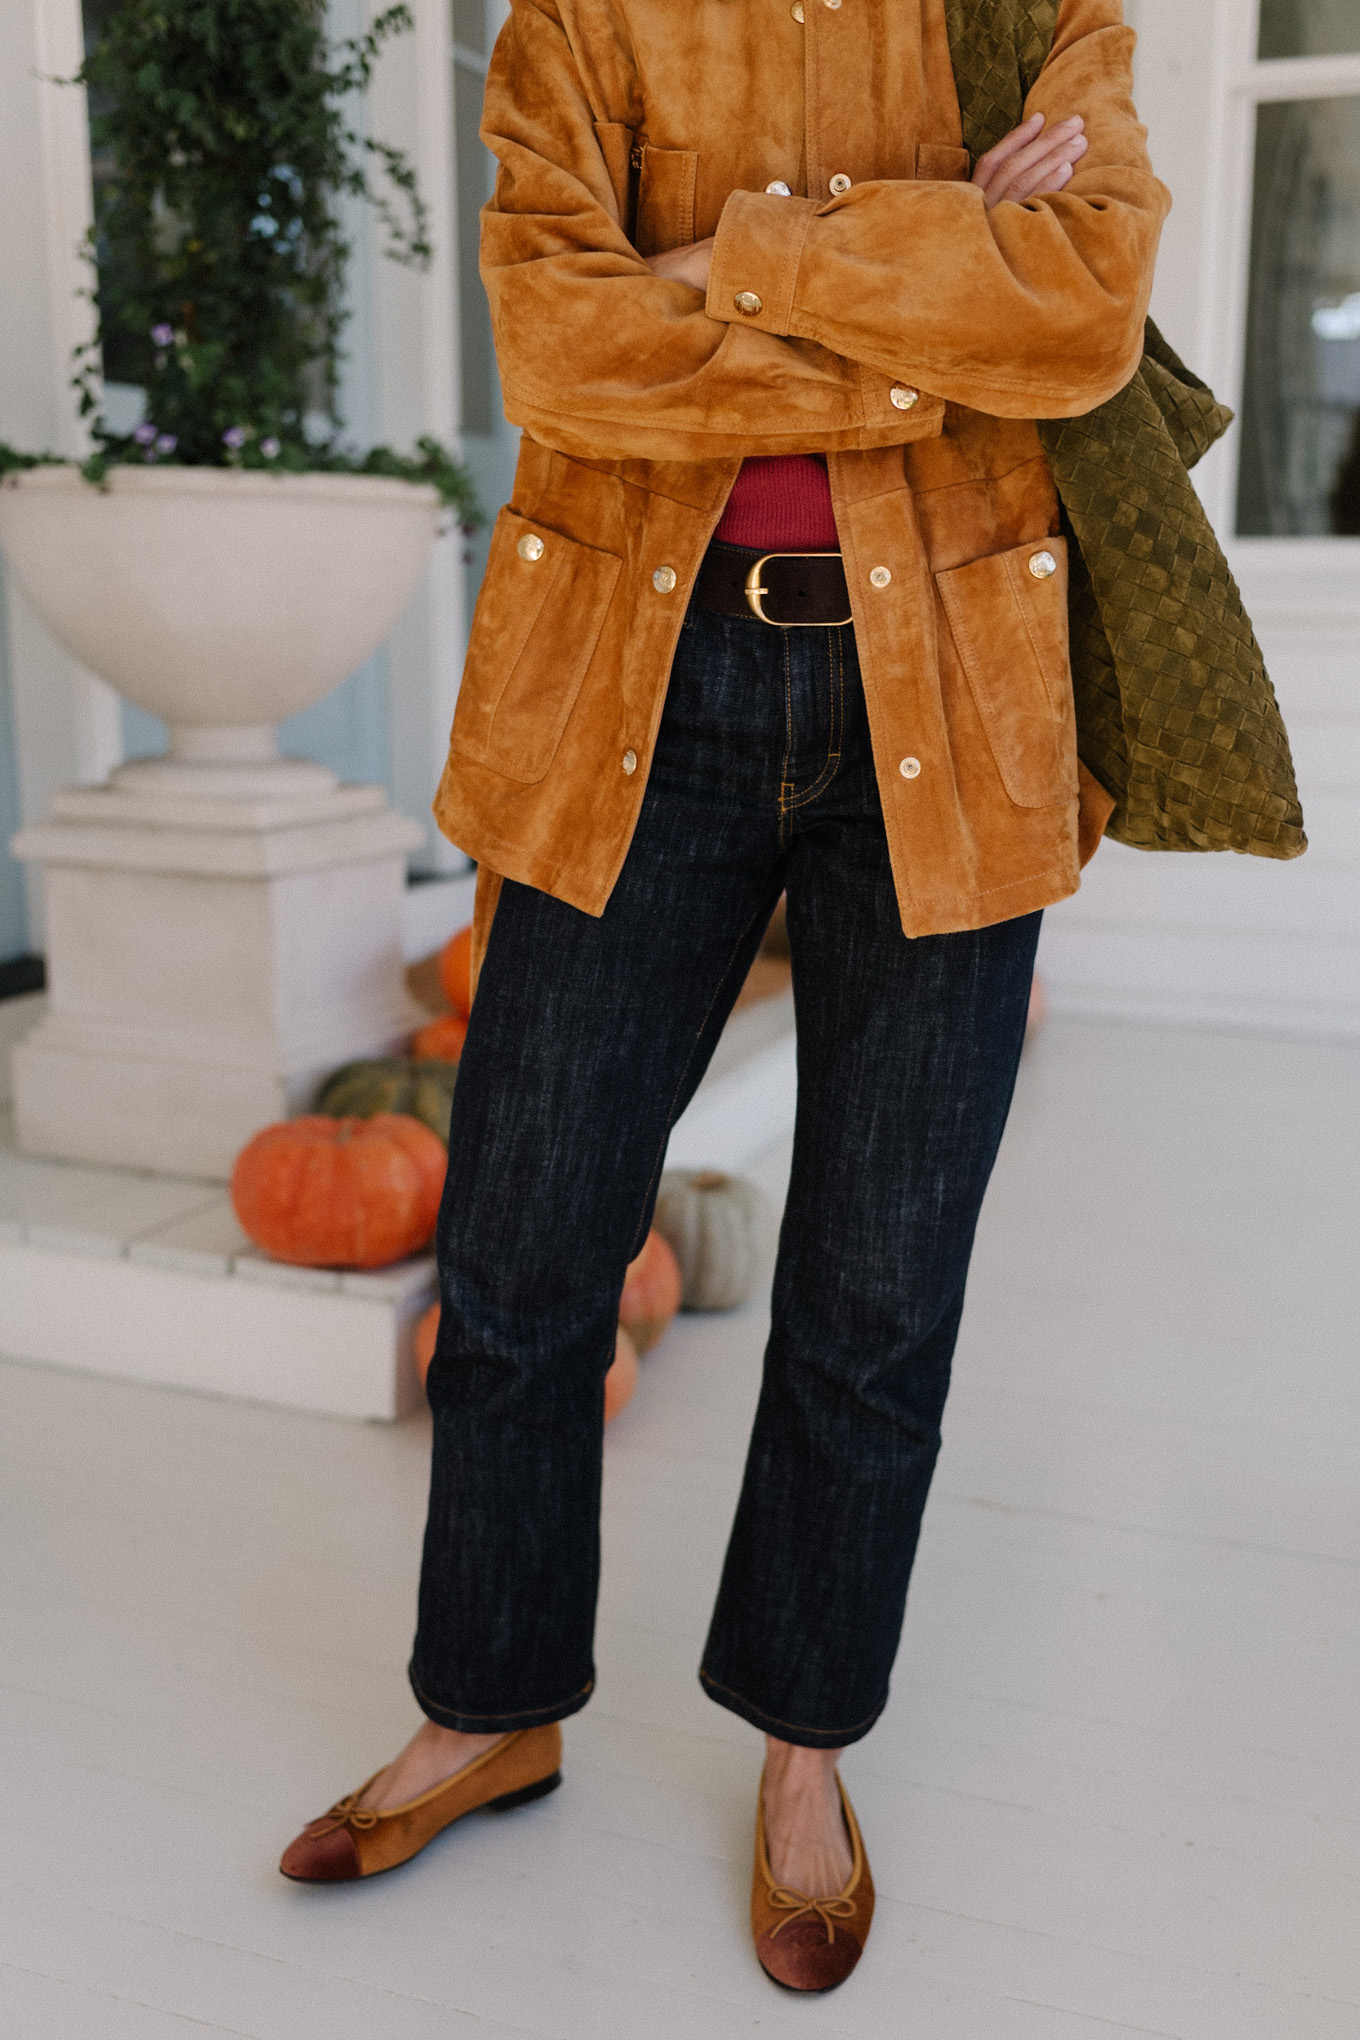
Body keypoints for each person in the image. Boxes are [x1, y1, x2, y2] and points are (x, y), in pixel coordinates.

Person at [279, 0, 1171, 1991]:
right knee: (519, 1252)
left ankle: (799, 1753)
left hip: (942, 696)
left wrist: (730, 259)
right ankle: (491, 1703)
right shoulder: (578, 27)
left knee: (874, 1296)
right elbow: (561, 348)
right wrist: (920, 266)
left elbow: (1078, 316)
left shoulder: (1026, 16)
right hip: (630, 688)